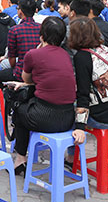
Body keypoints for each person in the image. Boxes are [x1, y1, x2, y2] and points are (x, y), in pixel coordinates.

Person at [8, 17, 77, 174]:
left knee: (19, 109)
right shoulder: (66, 55)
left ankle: (20, 158)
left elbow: (26, 78)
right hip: (68, 118)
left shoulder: (34, 54)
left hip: (45, 117)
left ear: (42, 35)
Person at [70, 17, 108, 137]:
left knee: (67, 110)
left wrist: (80, 127)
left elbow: (83, 93)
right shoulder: (106, 49)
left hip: (107, 117)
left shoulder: (82, 56)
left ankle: (74, 154)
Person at [0, 0, 40, 86]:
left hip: (21, 72)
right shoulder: (41, 28)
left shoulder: (15, 30)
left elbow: (12, 61)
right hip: (38, 72)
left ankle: (8, 92)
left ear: (20, 11)